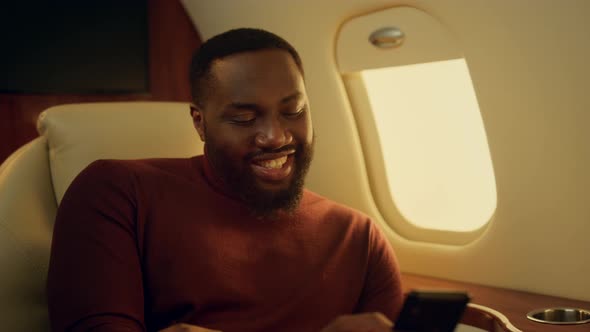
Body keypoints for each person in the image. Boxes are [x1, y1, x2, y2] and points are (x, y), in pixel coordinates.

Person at [47, 28, 403, 332]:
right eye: (245, 118)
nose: (275, 136)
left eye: (292, 112)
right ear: (199, 123)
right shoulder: (116, 193)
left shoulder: (359, 237)